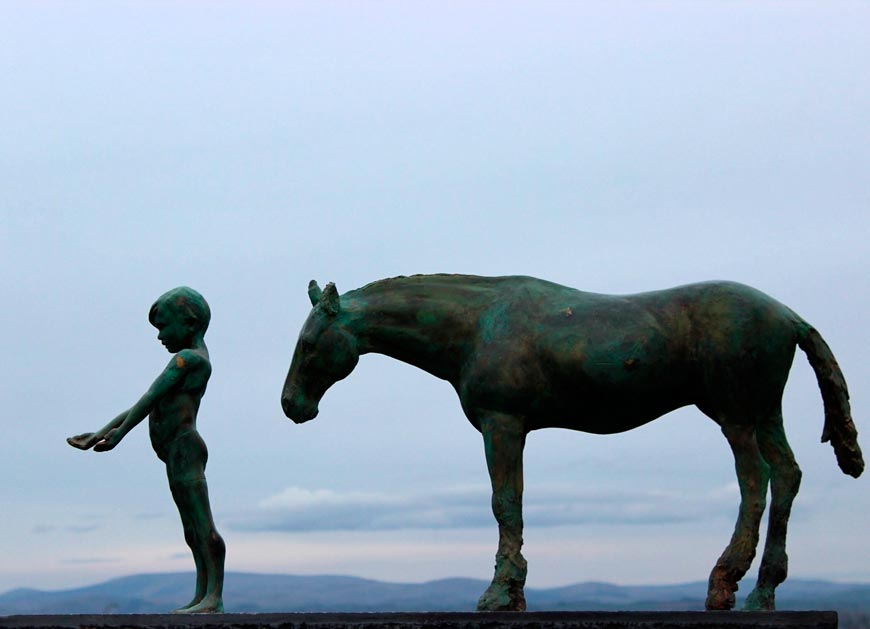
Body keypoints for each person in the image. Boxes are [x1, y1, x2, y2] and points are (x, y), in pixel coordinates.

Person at [68, 287, 225, 614]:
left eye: (164, 327)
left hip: (186, 450)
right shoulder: (187, 359)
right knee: (191, 529)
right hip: (176, 453)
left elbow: (148, 399)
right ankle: (202, 595)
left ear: (189, 323)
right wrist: (98, 433)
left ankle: (214, 596)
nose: (160, 336)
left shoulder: (189, 360)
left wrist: (119, 436)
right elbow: (143, 403)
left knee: (201, 523)